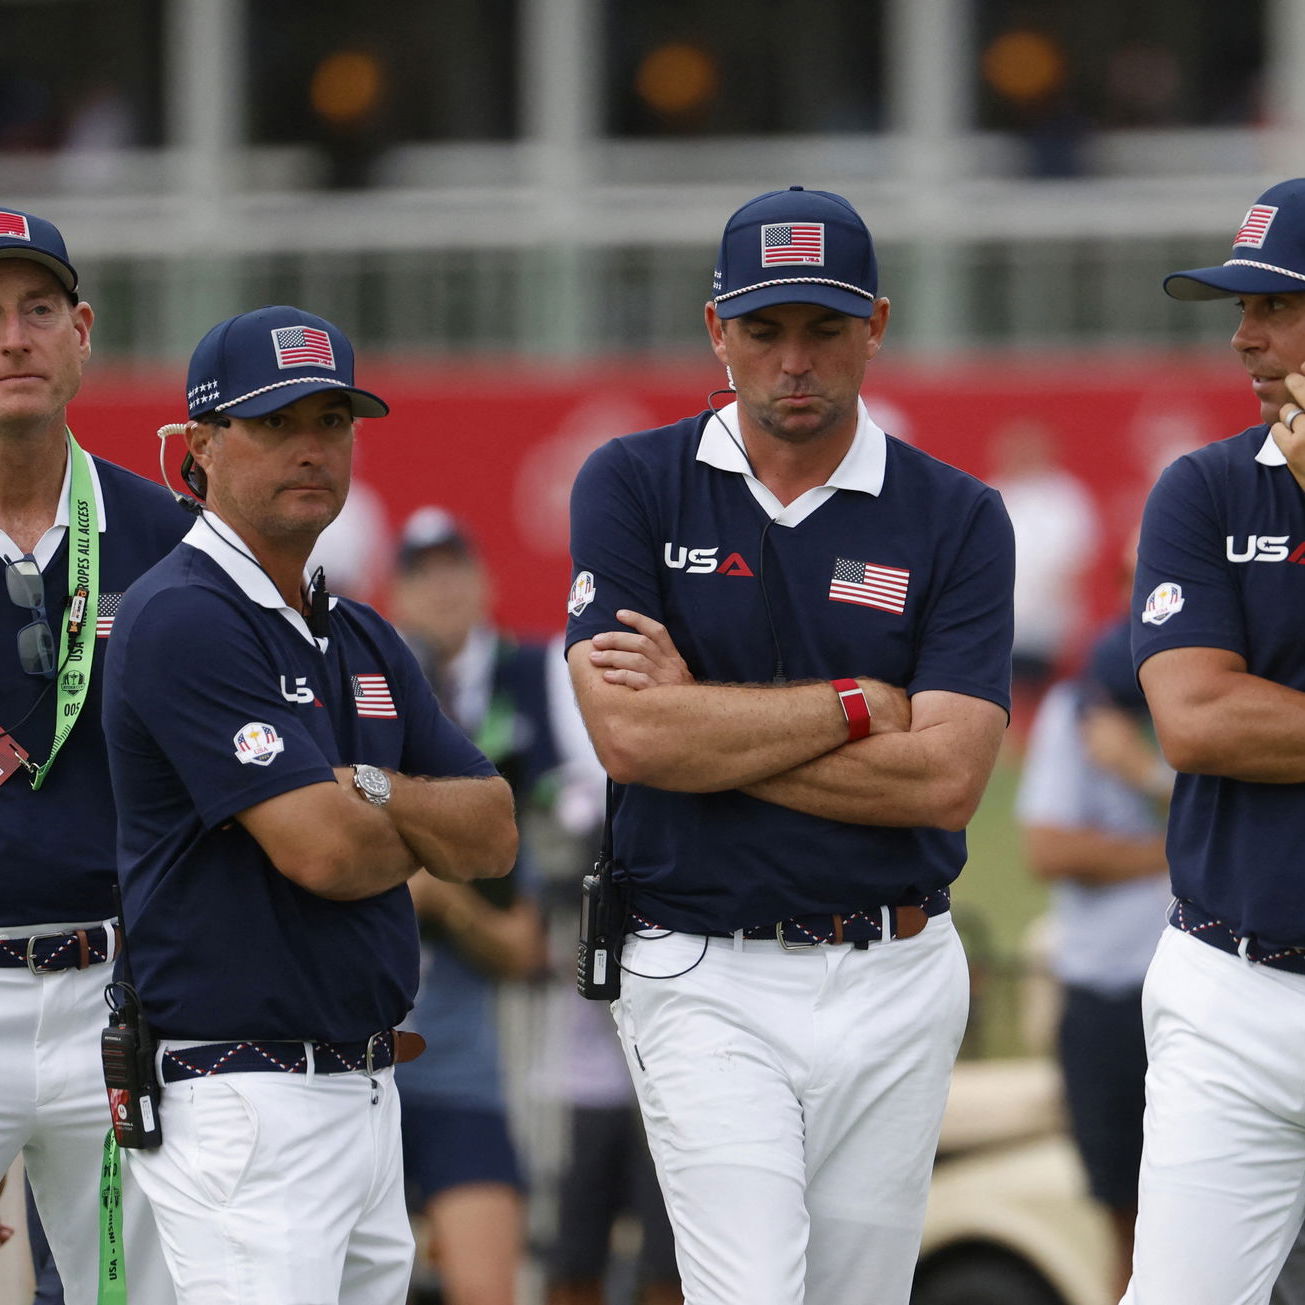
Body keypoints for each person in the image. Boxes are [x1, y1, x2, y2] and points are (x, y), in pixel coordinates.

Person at [564, 185, 1015, 1305]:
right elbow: (628, 733)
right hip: (696, 963)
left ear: (878, 328)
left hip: (899, 971)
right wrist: (860, 705)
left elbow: (949, 778)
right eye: (764, 330)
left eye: (825, 328)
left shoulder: (958, 515)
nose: (794, 360)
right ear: (716, 331)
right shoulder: (629, 482)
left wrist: (705, 721)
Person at [100, 305, 518, 1305]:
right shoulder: (183, 615)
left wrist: (371, 788)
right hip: (244, 1098)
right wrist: (411, 821)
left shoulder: (360, 633)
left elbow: (496, 833)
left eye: (331, 422)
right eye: (276, 422)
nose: (311, 448)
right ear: (201, 446)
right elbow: (322, 853)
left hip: (364, 1091)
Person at [0, 207, 186, 1305]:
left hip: (115, 989)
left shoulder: (167, 531)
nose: (11, 340)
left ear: (82, 334)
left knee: (141, 1295)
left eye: (35, 312)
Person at [1126, 175, 1305, 1305]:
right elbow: (1198, 719)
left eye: (1277, 305)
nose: (1243, 337)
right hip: (1231, 989)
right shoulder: (1202, 490)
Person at [387, 506, 551, 1305]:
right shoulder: (337, 778)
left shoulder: (476, 797)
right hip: (350, 1080)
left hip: (457, 1075)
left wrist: (446, 905)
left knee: (488, 1286)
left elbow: (525, 948)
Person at [1015, 612, 1172, 1299]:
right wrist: (1188, 848)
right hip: (1108, 996)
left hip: (1209, 989)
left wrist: (1146, 774)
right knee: (1129, 1229)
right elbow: (1048, 849)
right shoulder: (1080, 704)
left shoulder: (1244, 695)